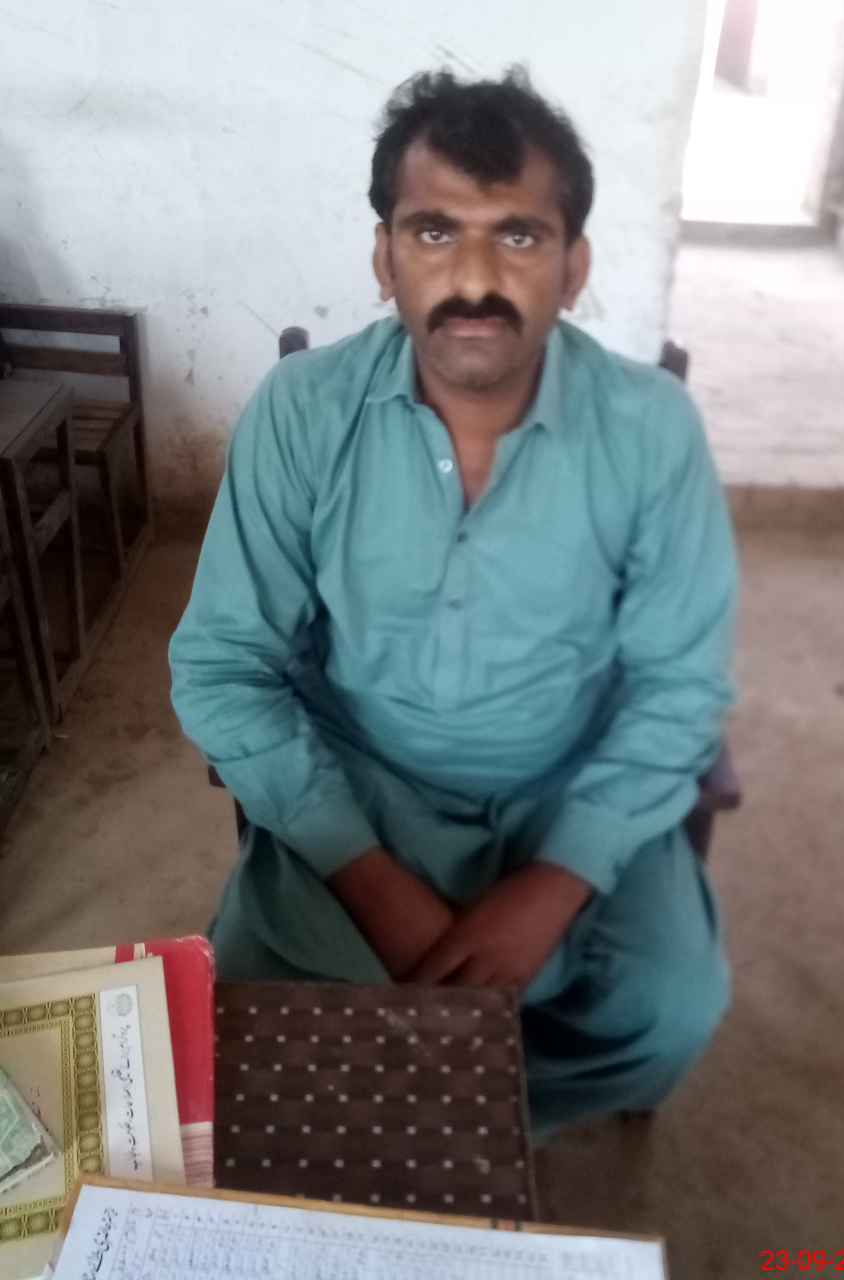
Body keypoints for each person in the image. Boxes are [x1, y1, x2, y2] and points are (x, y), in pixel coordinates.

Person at [169, 67, 738, 1137]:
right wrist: (367, 875)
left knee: (668, 1010)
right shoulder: (303, 413)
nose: (475, 277)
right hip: (359, 783)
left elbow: (680, 683)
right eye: (435, 232)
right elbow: (221, 662)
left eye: (518, 235)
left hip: (567, 777)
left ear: (573, 267)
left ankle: (481, 1126)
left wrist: (558, 879)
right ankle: (420, 1126)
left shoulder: (652, 431)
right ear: (385, 258)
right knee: (252, 1027)